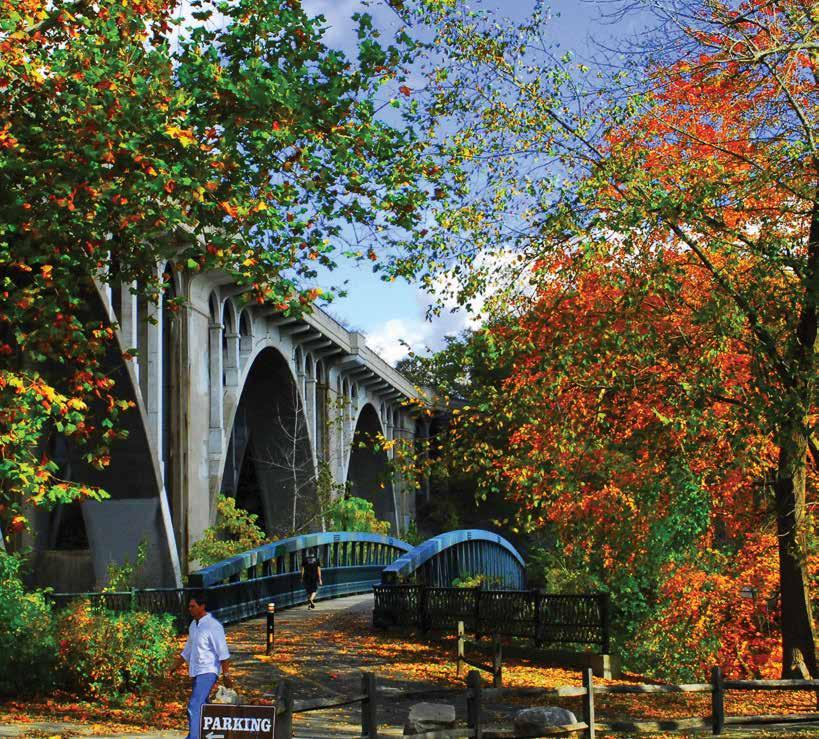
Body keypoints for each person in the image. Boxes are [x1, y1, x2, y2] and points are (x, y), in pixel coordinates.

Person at [169, 593, 232, 739]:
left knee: (194, 705)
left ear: (202, 606)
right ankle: (209, 735)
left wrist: (226, 674)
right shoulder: (193, 625)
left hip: (208, 672)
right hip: (196, 672)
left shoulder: (213, 626)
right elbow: (188, 650)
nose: (189, 609)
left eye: (193, 606)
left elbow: (223, 653)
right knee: (204, 706)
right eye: (189, 606)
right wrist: (174, 666)